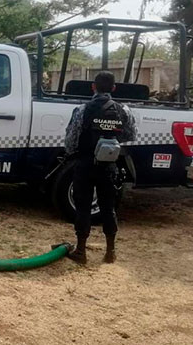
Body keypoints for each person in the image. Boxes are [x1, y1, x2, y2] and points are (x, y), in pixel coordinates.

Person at [63, 71, 137, 264]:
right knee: (108, 207)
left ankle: (80, 251)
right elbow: (131, 135)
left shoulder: (82, 110)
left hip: (85, 164)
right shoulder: (123, 110)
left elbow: (70, 140)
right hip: (109, 166)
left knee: (83, 207)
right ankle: (110, 252)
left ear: (93, 87)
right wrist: (110, 139)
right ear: (113, 88)